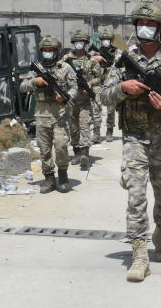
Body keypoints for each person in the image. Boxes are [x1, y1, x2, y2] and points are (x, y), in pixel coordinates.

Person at [100, 2, 161, 282]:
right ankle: (139, 254)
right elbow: (103, 96)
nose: (145, 28)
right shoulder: (122, 60)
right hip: (134, 138)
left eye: (151, 24)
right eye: (141, 23)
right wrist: (122, 88)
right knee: (136, 195)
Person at [19, 35, 78, 194]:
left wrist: (65, 96)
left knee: (60, 146)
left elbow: (75, 87)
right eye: (45, 50)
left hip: (60, 113)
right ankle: (49, 178)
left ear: (57, 51)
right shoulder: (35, 69)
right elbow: (22, 86)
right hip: (41, 113)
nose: (47, 53)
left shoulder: (65, 68)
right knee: (44, 148)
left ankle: (63, 177)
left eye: (51, 50)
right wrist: (35, 82)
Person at [62, 29, 104, 168]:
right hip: (71, 99)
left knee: (84, 125)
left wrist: (90, 84)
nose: (79, 44)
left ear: (85, 43)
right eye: (77, 42)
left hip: (85, 100)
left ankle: (85, 153)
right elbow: (59, 75)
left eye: (82, 42)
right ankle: (77, 153)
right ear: (74, 43)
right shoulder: (65, 59)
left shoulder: (91, 60)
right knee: (73, 128)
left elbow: (99, 76)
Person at [91, 27, 119, 142]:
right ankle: (96, 132)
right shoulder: (95, 52)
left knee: (111, 109)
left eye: (108, 39)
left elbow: (125, 60)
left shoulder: (117, 51)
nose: (105, 41)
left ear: (112, 40)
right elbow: (84, 61)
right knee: (96, 108)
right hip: (98, 83)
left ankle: (109, 131)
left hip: (111, 83)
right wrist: (94, 58)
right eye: (103, 39)